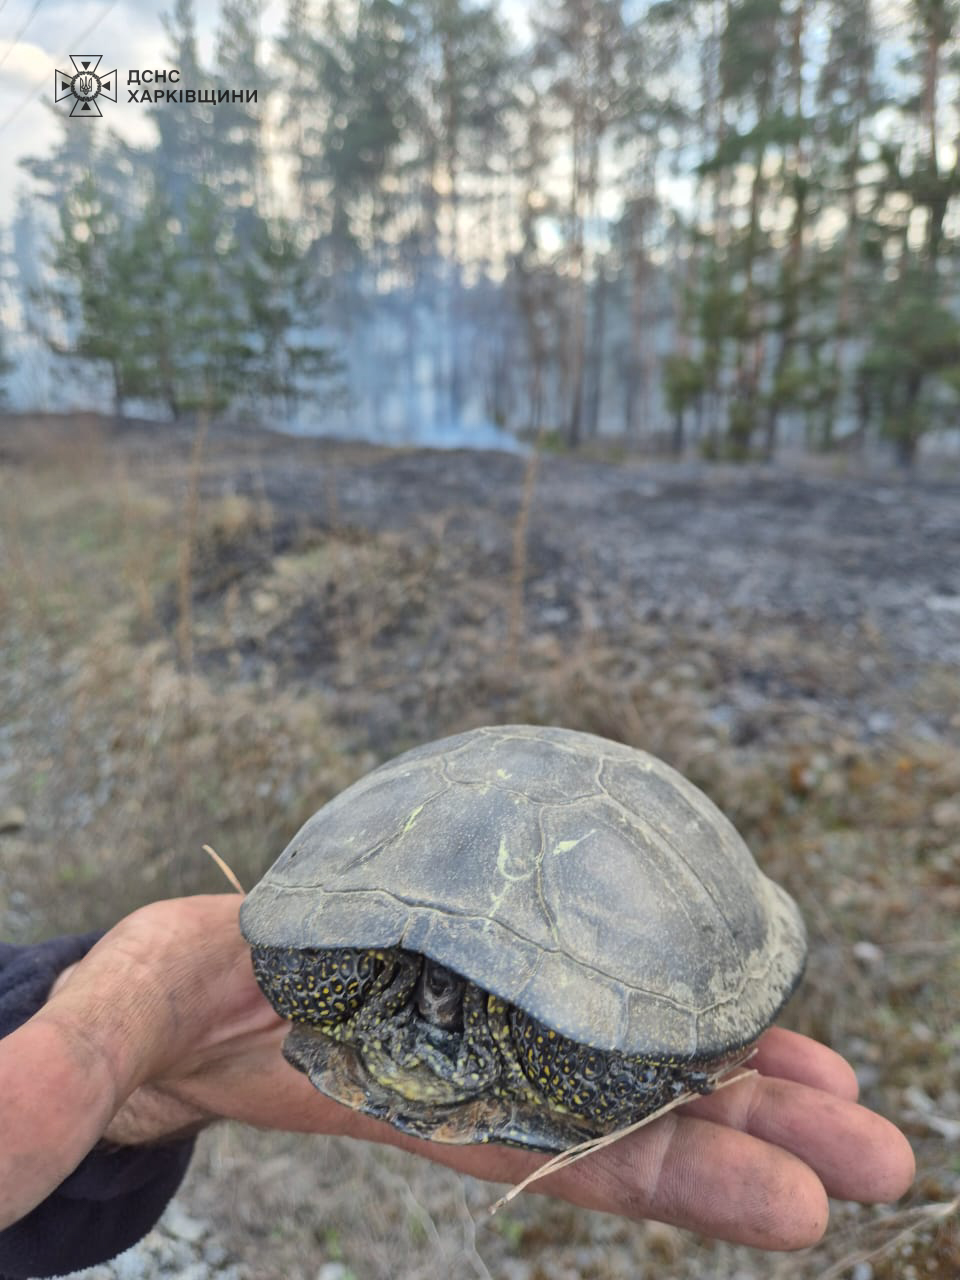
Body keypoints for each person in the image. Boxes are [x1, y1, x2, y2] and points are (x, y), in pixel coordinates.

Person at [0, 895, 915, 1279]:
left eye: (445, 997)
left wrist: (141, 1093)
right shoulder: (330, 995)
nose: (436, 999)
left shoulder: (554, 1051)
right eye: (422, 991)